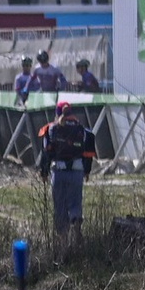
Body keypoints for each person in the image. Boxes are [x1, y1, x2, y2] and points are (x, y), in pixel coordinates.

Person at [38, 98, 95, 244]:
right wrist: (87, 171)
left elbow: (46, 152)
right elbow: (88, 153)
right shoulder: (82, 130)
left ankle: (62, 239)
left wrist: (44, 172)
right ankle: (76, 224)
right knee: (75, 203)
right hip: (77, 171)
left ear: (57, 113)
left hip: (58, 171)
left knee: (60, 206)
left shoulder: (50, 128)